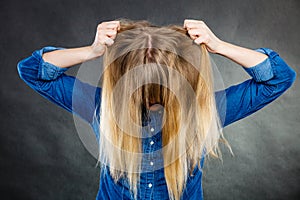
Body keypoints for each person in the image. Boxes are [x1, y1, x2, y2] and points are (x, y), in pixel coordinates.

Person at [17, 19, 296, 200]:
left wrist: (219, 45)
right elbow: (277, 77)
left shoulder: (200, 112)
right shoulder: (104, 107)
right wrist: (91, 51)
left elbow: (33, 70)